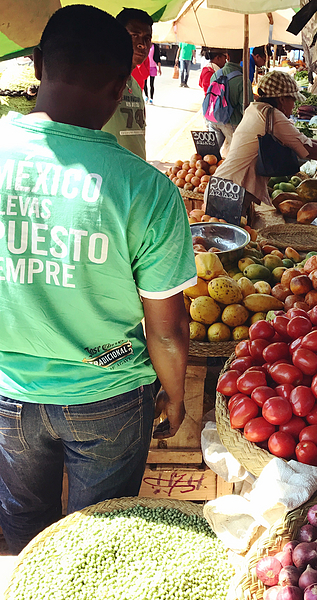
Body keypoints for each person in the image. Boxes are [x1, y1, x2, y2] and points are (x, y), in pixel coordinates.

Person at [0, 5, 196, 553]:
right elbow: (165, 331)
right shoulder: (150, 191)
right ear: (123, 85)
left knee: (24, 526)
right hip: (107, 394)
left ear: (37, 65)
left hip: (8, 391)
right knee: (101, 542)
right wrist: (176, 397)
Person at [214, 70, 317, 208]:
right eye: (292, 100)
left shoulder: (256, 109)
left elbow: (299, 140)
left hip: (222, 184)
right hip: (233, 190)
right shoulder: (272, 115)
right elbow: (307, 149)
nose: (293, 106)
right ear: (282, 99)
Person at [102, 8, 152, 159]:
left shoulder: (135, 86)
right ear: (116, 37)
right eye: (134, 36)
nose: (142, 45)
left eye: (147, 38)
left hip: (135, 176)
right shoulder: (100, 80)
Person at [208, 48, 252, 155]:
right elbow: (247, 110)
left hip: (213, 119)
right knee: (235, 156)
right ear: (242, 58)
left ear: (227, 56)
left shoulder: (215, 75)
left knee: (210, 157)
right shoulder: (243, 80)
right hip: (232, 123)